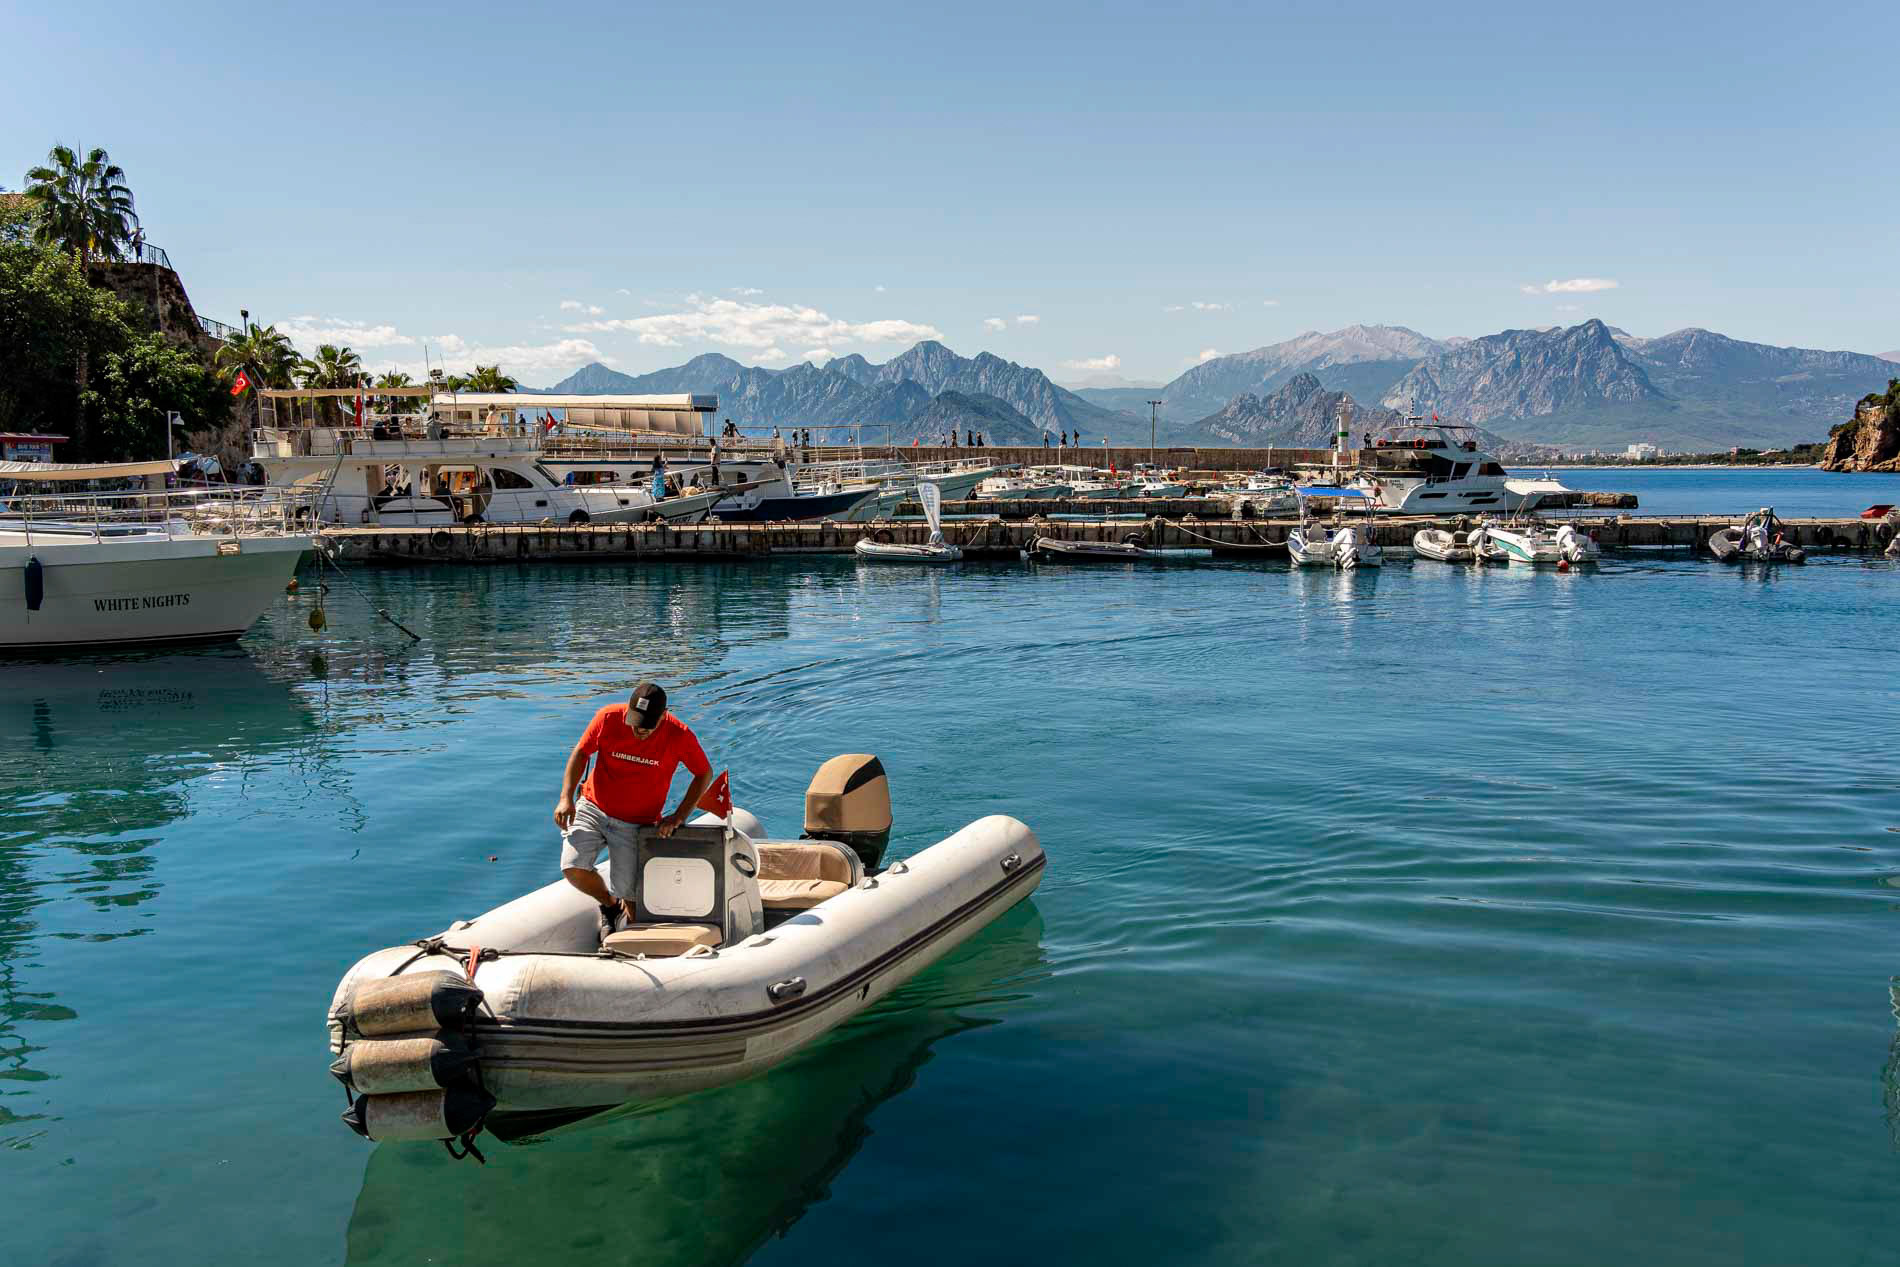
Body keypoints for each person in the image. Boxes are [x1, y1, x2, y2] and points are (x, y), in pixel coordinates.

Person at [554, 681, 715, 940]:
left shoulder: (679, 735)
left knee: (632, 896)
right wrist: (566, 798)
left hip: (637, 822)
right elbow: (582, 752)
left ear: (663, 715)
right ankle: (609, 905)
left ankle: (631, 936)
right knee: (572, 867)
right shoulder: (607, 718)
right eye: (635, 723)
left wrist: (679, 816)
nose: (639, 731)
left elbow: (703, 773)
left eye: (647, 726)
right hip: (593, 806)